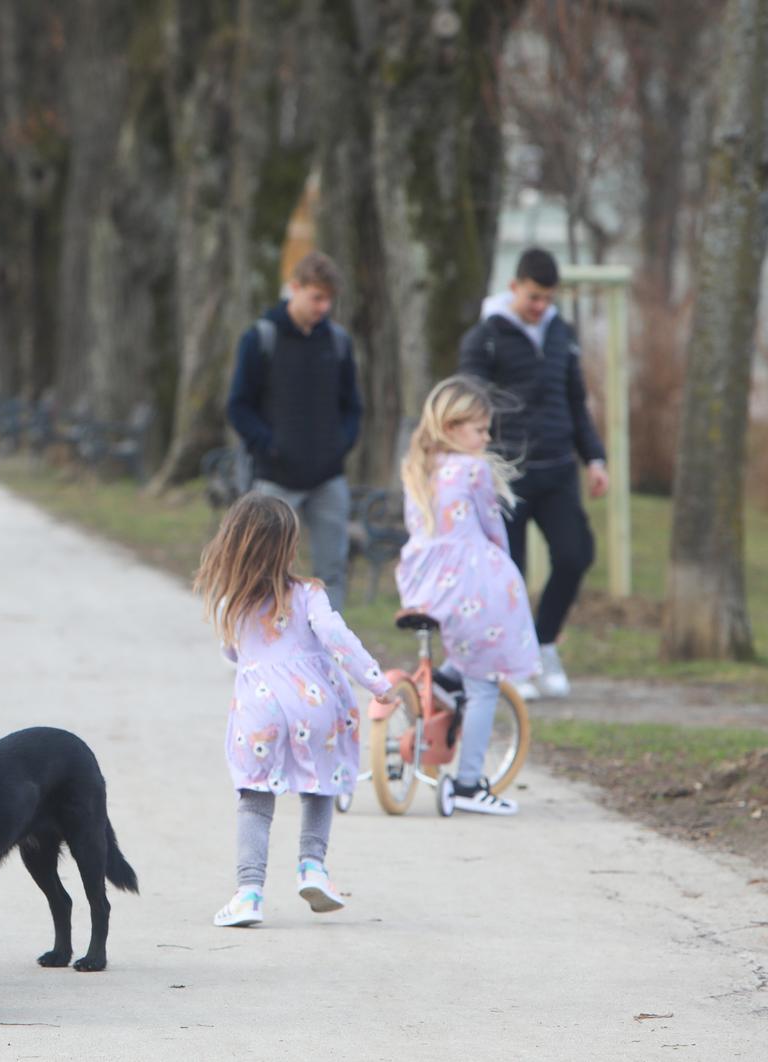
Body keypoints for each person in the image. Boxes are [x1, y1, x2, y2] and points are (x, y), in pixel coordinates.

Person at [194, 493, 394, 928]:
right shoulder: (308, 594)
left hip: (258, 710)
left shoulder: (233, 601)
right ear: (289, 545)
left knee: (254, 798)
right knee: (318, 785)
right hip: (315, 704)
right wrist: (377, 682)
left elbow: (231, 652)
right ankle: (313, 867)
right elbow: (335, 635)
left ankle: (248, 893)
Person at [460, 248, 608, 699]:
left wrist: (595, 459)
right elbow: (467, 404)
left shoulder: (561, 333)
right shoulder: (485, 337)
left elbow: (575, 401)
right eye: (533, 297)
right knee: (511, 573)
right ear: (514, 287)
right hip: (507, 475)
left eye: (547, 298)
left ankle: (543, 644)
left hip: (558, 468)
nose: (540, 306)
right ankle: (512, 664)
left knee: (575, 553)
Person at [396, 377, 537, 815]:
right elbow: (494, 528)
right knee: (486, 683)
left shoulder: (417, 468)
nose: (487, 438)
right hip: (467, 584)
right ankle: (469, 785)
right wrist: (505, 567)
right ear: (453, 426)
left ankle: (445, 678)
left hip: (423, 582)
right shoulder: (474, 470)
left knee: (466, 653)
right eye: (480, 428)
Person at [225, 251, 364, 610]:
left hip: (327, 478)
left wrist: (339, 445)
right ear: (295, 288)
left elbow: (353, 407)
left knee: (331, 568)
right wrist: (270, 446)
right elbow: (238, 406)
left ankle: (330, 649)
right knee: (262, 566)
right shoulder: (260, 338)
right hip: (275, 478)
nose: (323, 307)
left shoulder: (338, 342)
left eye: (329, 299)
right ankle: (260, 643)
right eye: (317, 297)